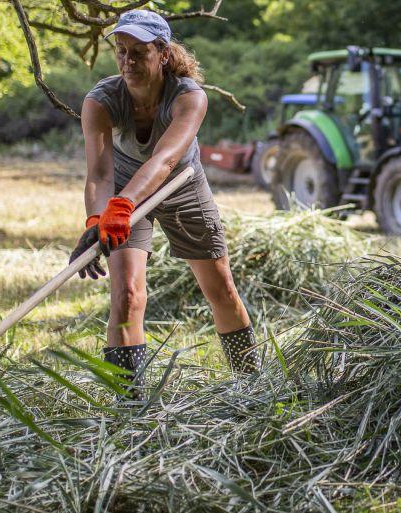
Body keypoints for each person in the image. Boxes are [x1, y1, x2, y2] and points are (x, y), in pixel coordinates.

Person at [70, 10, 257, 391]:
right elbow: (100, 174)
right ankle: (130, 406)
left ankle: (252, 384)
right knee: (126, 294)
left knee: (220, 288)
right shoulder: (101, 101)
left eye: (139, 51)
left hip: (181, 184)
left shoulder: (190, 97)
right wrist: (97, 219)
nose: (128, 61)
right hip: (123, 187)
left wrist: (121, 208)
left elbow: (165, 159)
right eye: (121, 51)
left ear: (164, 54)